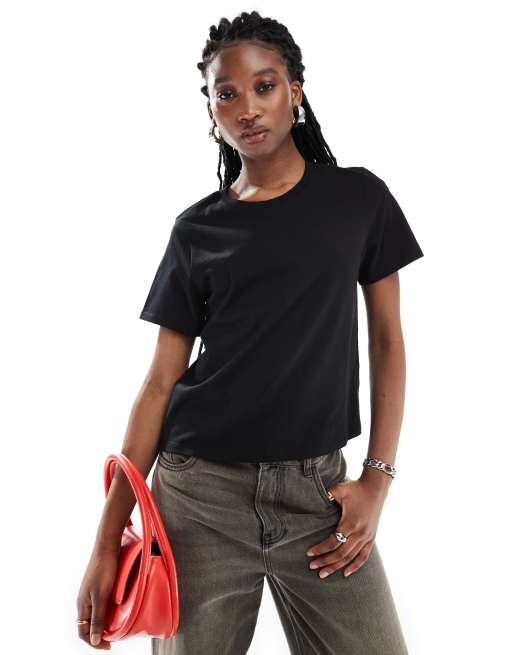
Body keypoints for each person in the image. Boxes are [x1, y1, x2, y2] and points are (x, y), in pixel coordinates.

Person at [76, 10, 424, 654]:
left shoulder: (359, 199)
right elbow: (159, 383)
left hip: (319, 499)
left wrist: (377, 479)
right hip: (198, 500)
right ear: (210, 109)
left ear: (295, 91)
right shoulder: (197, 230)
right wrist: (106, 541)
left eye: (264, 86)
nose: (247, 108)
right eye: (227, 93)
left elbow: (387, 341)